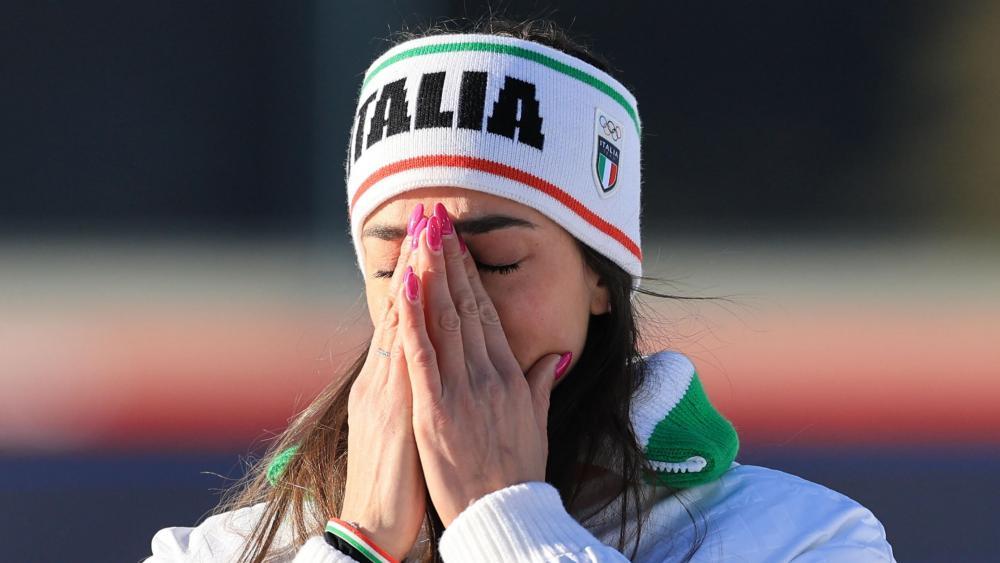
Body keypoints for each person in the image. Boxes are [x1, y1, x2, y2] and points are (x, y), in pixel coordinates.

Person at [146, 17, 895, 563]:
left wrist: (501, 520)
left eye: (497, 260)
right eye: (391, 264)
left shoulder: (802, 536)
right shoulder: (226, 550)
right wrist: (359, 541)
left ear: (600, 278)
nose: (437, 300)